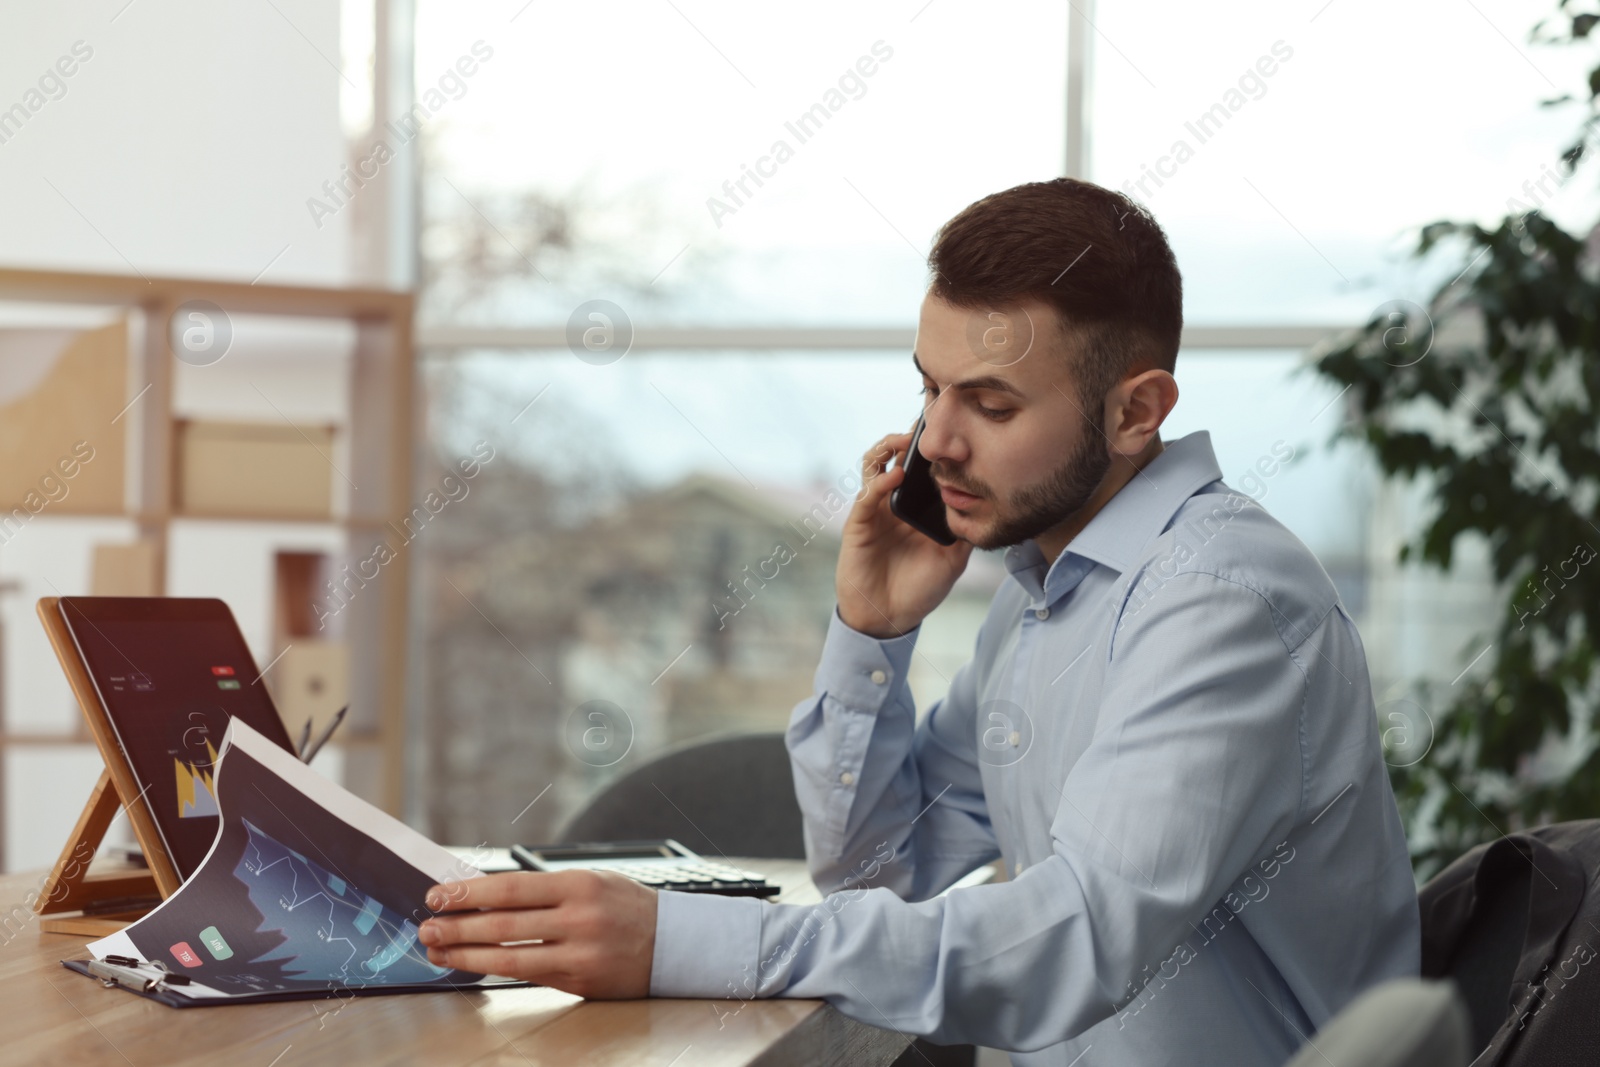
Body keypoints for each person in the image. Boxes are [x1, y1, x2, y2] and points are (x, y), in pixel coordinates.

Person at [415, 177, 1421, 1065]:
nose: (934, 439)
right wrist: (871, 633)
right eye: (929, 386)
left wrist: (678, 941)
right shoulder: (1046, 593)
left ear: (1134, 411)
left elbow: (1076, 938)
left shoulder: (1221, 602)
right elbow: (876, 872)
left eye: (988, 403)